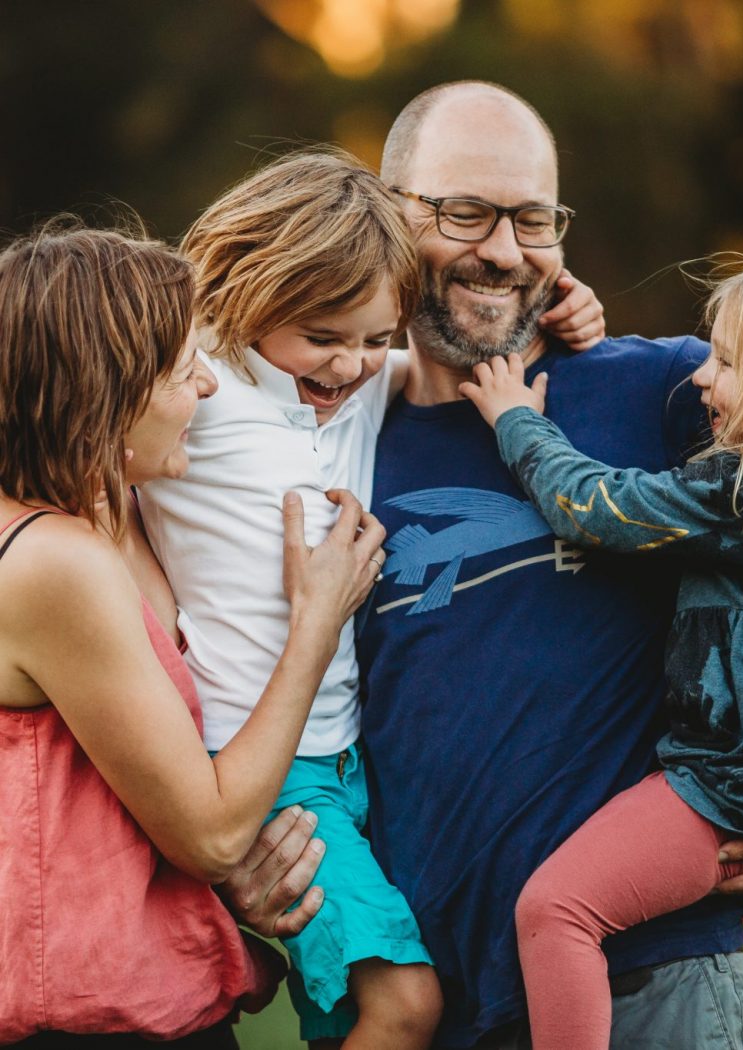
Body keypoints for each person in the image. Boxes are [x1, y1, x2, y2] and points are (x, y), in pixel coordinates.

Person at [354, 80, 743, 1050]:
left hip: (659, 993)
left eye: (530, 218)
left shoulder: (666, 394)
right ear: (387, 217)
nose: (503, 250)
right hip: (433, 1012)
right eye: (465, 211)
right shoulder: (331, 438)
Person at [139, 148, 602, 1049]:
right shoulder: (196, 388)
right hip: (262, 769)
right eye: (324, 336)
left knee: (350, 1015)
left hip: (351, 762)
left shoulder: (355, 385)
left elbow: (438, 361)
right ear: (247, 294)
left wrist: (567, 302)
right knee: (405, 1004)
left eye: (372, 337)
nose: (350, 364)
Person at [0, 221, 383, 1047]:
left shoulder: (114, 516)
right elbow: (210, 832)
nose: (209, 386)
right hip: (86, 1021)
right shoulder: (48, 562)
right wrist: (314, 624)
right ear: (108, 387)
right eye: (182, 368)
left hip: (158, 997)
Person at [460, 254, 743, 1049]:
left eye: (728, 361)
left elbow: (597, 508)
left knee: (557, 910)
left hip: (720, 792)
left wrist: (518, 420)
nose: (703, 380)